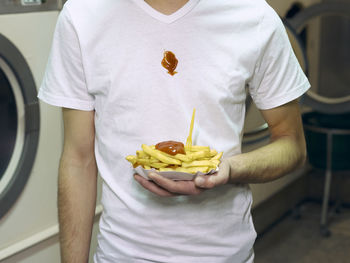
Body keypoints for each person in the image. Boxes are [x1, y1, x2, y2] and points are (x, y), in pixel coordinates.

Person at [38, 0, 310, 262]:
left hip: (223, 253)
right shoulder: (82, 15)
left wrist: (229, 169)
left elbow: (292, 144)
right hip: (122, 253)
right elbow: (78, 159)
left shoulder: (254, 17)